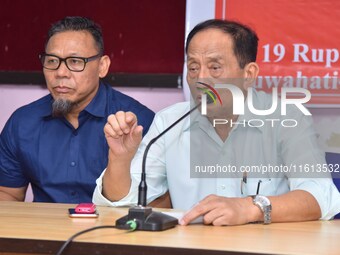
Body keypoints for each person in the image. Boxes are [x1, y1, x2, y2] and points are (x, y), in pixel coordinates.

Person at [93, 19, 340, 225]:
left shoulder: (288, 118)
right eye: (193, 67)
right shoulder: (170, 121)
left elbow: (320, 196)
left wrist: (250, 208)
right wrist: (119, 160)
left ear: (249, 74)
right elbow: (120, 203)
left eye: (215, 67)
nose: (201, 79)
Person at [0, 16, 154, 203]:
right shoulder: (22, 123)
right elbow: (8, 194)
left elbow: (157, 203)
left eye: (75, 61)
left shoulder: (137, 122)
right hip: (43, 229)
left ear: (102, 66)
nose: (60, 72)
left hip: (112, 229)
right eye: (52, 61)